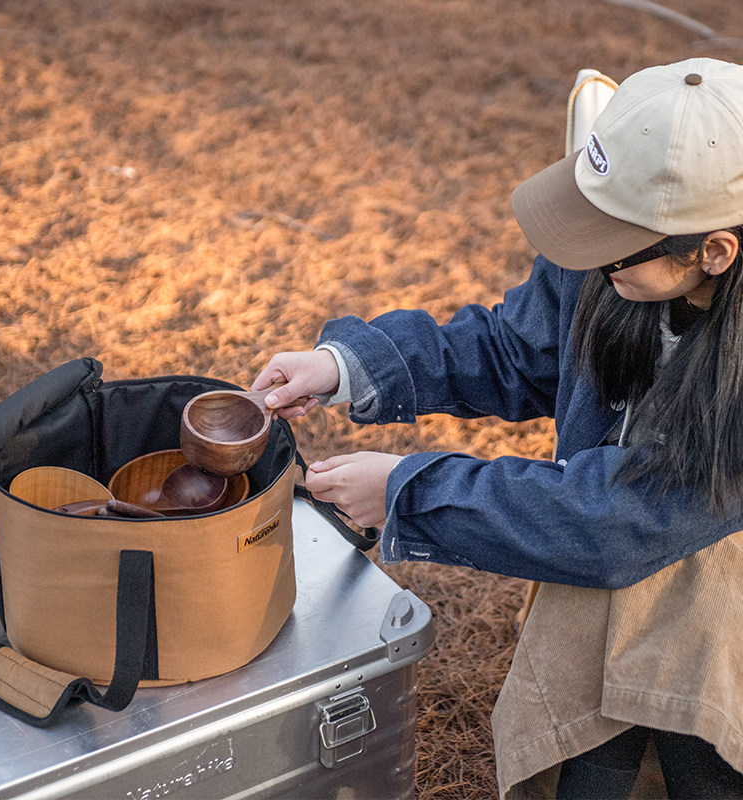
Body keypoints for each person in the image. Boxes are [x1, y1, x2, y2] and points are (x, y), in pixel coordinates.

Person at [252, 58, 743, 798]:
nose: (583, 252)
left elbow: (616, 522)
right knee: (597, 686)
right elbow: (515, 346)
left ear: (713, 251)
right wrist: (349, 366)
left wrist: (406, 492)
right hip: (614, 549)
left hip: (713, 597)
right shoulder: (617, 264)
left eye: (609, 242)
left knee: (693, 700)